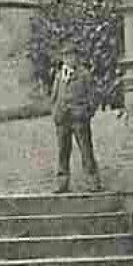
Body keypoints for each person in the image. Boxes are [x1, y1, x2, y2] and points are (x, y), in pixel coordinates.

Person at [51, 54, 102, 193]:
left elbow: (93, 96)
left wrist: (86, 113)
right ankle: (62, 183)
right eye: (66, 56)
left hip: (79, 119)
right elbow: (54, 96)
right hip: (63, 120)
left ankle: (92, 181)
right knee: (63, 151)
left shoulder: (84, 75)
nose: (69, 59)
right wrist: (56, 113)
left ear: (77, 58)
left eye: (72, 56)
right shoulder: (59, 75)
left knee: (86, 150)